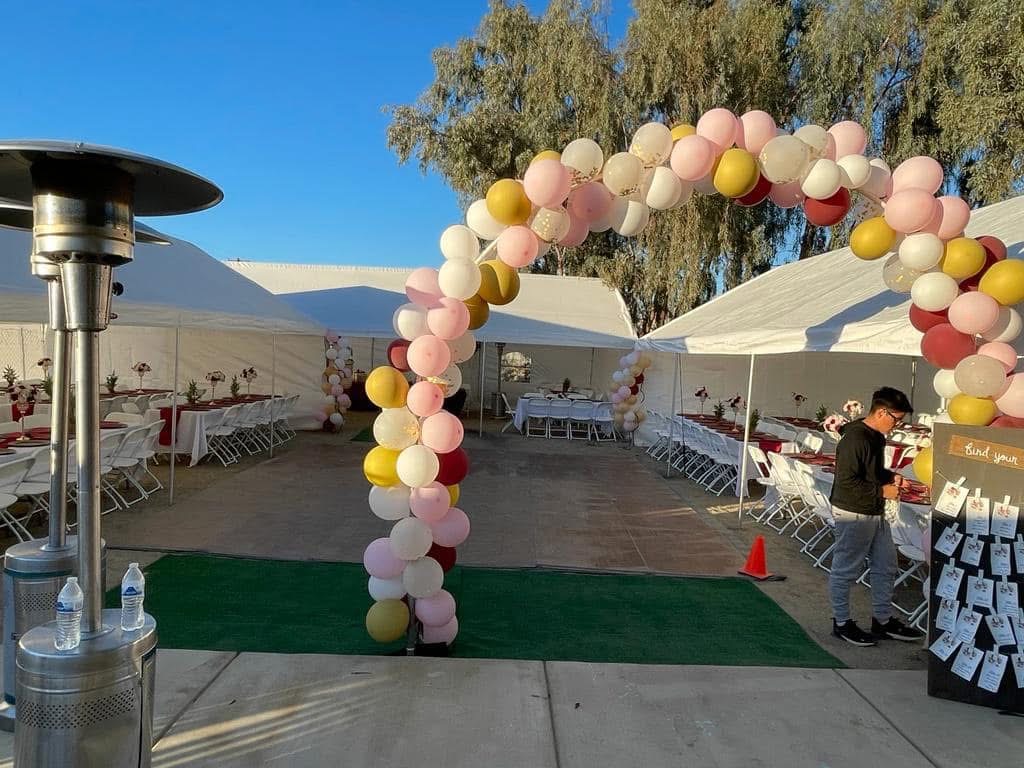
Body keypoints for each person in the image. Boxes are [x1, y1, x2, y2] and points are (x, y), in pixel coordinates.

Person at [829, 387, 924, 646]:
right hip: (853, 511)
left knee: (886, 565)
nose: (897, 425)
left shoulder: (876, 437)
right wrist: (882, 490)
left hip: (874, 509)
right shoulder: (855, 438)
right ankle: (841, 622)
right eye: (896, 419)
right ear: (882, 412)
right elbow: (847, 481)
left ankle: (882, 620)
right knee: (845, 569)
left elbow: (872, 471)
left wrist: (891, 476)